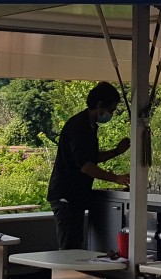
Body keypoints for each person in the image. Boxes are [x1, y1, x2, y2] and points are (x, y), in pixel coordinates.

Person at [47, 81, 131, 250]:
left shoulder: (89, 126)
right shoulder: (79, 127)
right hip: (66, 197)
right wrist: (115, 178)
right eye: (111, 110)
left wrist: (116, 151)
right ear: (99, 105)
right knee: (70, 248)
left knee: (75, 245)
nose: (111, 114)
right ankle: (67, 276)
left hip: (74, 197)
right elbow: (85, 165)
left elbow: (90, 157)